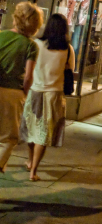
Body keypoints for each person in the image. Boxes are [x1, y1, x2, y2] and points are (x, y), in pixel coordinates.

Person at [19, 14, 75, 181]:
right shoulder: (68, 49)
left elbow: (27, 68)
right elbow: (70, 70)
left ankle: (30, 160)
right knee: (43, 135)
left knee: (30, 130)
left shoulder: (36, 44)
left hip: (34, 92)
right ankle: (33, 170)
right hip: (54, 95)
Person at [0, 1, 43, 173]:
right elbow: (28, 76)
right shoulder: (30, 45)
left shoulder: (1, 35)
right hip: (12, 93)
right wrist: (25, 94)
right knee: (8, 138)